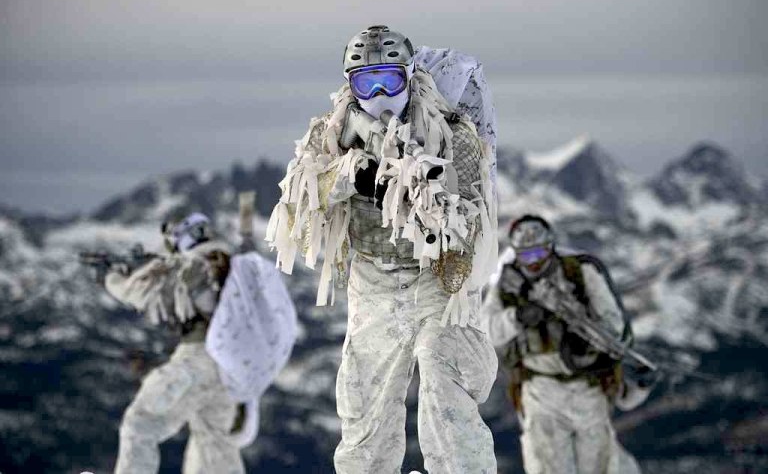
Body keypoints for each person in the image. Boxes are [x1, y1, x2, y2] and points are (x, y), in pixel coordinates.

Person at [266, 25, 499, 473]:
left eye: (388, 80)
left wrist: (416, 196)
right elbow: (295, 207)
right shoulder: (332, 134)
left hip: (436, 280)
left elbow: (469, 216)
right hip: (372, 280)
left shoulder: (452, 134)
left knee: (443, 375)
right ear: (348, 86)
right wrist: (346, 178)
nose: (377, 94)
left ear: (409, 76)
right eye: (364, 82)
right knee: (364, 406)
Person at [480, 214, 643, 474]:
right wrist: (518, 317)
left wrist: (582, 332)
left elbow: (615, 328)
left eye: (539, 254)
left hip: (588, 387)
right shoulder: (507, 286)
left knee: (600, 465)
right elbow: (486, 330)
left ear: (551, 247)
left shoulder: (580, 273)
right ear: (516, 255)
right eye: (526, 256)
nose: (533, 264)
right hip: (540, 389)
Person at [104, 213, 245, 474]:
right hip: (229, 366)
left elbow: (138, 292)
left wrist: (112, 277)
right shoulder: (231, 264)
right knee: (214, 441)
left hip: (197, 357)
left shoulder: (189, 265)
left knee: (140, 424)